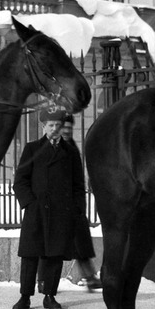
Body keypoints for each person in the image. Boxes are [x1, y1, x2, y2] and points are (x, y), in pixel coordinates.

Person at [11, 107, 87, 309]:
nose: (55, 129)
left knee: (54, 255)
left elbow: (79, 186)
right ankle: (25, 297)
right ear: (43, 126)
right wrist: (30, 204)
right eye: (51, 125)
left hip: (61, 213)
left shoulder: (70, 152)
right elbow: (20, 181)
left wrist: (77, 209)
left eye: (58, 125)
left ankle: (49, 296)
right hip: (36, 212)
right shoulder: (32, 149)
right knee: (29, 256)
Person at [60, 118, 101, 291]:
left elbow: (77, 178)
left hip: (74, 204)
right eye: (65, 128)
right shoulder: (57, 146)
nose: (67, 131)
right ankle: (44, 280)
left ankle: (89, 276)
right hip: (59, 203)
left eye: (70, 128)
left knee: (80, 240)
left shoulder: (72, 147)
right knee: (52, 247)